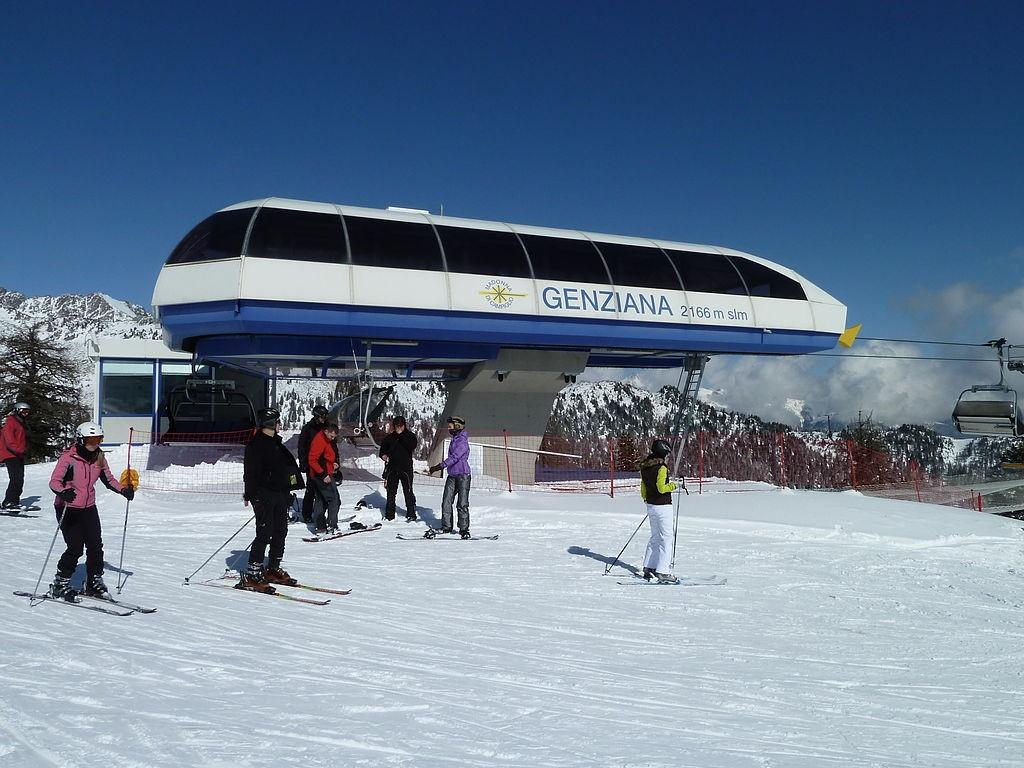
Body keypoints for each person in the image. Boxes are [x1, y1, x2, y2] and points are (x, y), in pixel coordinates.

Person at [46, 422, 134, 600]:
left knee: (95, 545)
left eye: (98, 440)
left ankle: (93, 581)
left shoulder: (99, 457)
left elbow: (108, 479)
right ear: (80, 440)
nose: (95, 444)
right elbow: (54, 482)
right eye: (91, 440)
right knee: (75, 547)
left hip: (88, 507)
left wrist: (123, 490)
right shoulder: (69, 458)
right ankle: (60, 583)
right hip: (67, 507)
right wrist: (64, 492)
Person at [240, 407, 304, 591]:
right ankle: (253, 573)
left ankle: (273, 568)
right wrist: (251, 496)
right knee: (264, 533)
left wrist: (289, 490)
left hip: (279, 494)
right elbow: (250, 473)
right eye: (276, 421)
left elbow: (284, 469)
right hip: (263, 494)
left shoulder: (276, 443)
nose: (279, 424)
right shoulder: (256, 445)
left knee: (280, 531)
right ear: (269, 423)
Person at [639, 439, 678, 582]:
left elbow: (643, 489)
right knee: (666, 538)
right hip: (663, 506)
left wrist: (648, 501)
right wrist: (674, 486)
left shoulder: (645, 466)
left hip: (651, 506)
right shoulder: (662, 468)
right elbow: (662, 488)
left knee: (655, 537)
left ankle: (649, 567)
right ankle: (663, 571)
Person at [427, 416, 471, 538]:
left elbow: (455, 457)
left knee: (462, 503)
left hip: (463, 475)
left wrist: (439, 466)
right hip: (452, 475)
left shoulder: (462, 441)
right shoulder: (454, 439)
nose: (448, 428)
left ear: (457, 426)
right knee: (446, 501)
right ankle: (446, 526)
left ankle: (464, 529)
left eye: (450, 426)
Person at [379, 416, 418, 521]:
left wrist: (401, 436)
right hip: (392, 468)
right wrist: (383, 456)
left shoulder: (410, 436)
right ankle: (389, 515)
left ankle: (411, 513)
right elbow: (382, 450)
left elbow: (411, 446)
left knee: (408, 491)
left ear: (404, 425)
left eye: (400, 426)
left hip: (406, 468)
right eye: (396, 426)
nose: (398, 428)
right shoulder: (389, 437)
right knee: (391, 492)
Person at [296, 405, 330, 523]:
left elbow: (332, 445)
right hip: (312, 463)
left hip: (325, 463)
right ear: (316, 416)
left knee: (325, 489)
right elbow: (302, 447)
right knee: (311, 489)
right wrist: (303, 463)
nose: (324, 418)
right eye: (322, 416)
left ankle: (321, 513)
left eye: (325, 416)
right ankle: (307, 513)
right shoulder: (308, 429)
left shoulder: (327, 427)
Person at [308, 421, 342, 534]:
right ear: (326, 431)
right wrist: (323, 474)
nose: (332, 439)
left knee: (321, 500)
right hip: (322, 475)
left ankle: (320, 526)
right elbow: (312, 460)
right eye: (331, 436)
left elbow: (325, 456)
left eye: (334, 437)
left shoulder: (325, 439)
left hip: (323, 473)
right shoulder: (320, 440)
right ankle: (332, 525)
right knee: (334, 499)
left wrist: (333, 463)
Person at [1, 402, 31, 511]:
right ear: (17, 410)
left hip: (17, 454)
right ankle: (9, 502)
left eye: (27, 411)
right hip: (10, 454)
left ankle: (14, 501)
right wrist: (20, 450)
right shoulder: (11, 422)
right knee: (16, 478)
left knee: (20, 478)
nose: (26, 413)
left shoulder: (19, 422)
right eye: (23, 411)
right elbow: (9, 441)